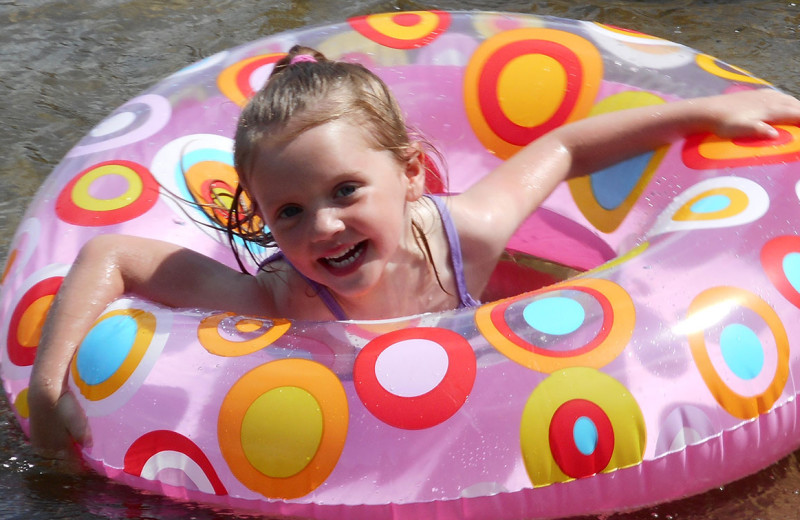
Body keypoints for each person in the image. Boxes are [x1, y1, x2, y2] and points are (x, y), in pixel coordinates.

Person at [27, 44, 800, 460]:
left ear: (407, 172)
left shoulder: (466, 229)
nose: (323, 226)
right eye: (288, 211)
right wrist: (49, 384)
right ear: (260, 218)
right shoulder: (281, 301)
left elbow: (562, 148)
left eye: (345, 192)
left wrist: (706, 113)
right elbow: (115, 256)